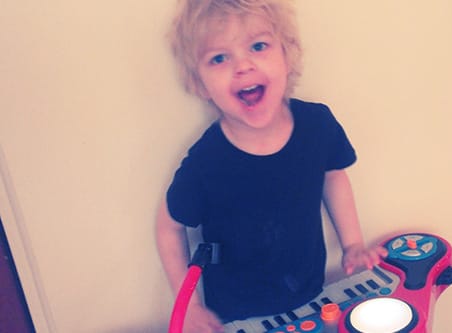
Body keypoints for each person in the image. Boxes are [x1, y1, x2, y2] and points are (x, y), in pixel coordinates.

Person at [156, 1, 387, 332]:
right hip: (237, 316)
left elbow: (333, 175)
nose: (243, 66)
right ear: (199, 82)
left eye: (258, 46)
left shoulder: (317, 125)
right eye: (219, 58)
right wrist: (189, 306)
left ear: (287, 55)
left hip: (311, 297)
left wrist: (352, 244)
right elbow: (169, 227)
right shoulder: (205, 163)